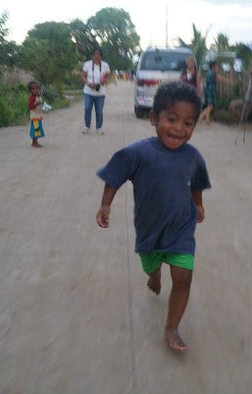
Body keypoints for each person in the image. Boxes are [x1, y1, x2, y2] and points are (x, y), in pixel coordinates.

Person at [96, 82, 211, 351]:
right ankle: (154, 274)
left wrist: (199, 204)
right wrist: (105, 205)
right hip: (149, 229)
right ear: (153, 118)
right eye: (171, 120)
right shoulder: (138, 153)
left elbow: (196, 183)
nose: (179, 129)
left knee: (184, 277)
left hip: (181, 228)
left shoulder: (193, 157)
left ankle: (171, 327)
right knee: (151, 264)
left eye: (188, 123)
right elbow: (114, 176)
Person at [82, 48, 111, 134]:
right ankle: (87, 126)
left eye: (99, 54)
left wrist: (104, 81)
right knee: (87, 109)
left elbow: (108, 76)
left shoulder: (105, 65)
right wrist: (88, 83)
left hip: (100, 93)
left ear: (101, 56)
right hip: (88, 91)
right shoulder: (87, 64)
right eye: (95, 54)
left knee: (99, 111)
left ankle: (99, 127)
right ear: (92, 55)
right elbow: (83, 76)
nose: (97, 56)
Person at [28, 80, 44, 147]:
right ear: (30, 90)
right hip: (34, 116)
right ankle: (35, 143)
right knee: (36, 129)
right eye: (33, 89)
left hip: (38, 116)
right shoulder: (32, 97)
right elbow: (30, 106)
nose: (35, 90)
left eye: (37, 88)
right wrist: (36, 104)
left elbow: (40, 104)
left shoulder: (38, 96)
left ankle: (34, 142)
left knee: (37, 129)